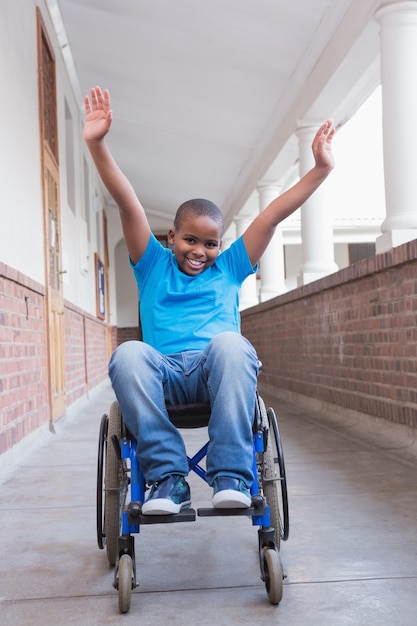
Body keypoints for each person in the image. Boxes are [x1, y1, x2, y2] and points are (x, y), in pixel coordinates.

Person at [83, 85, 335, 515]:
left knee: (231, 343)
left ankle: (231, 475)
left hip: (214, 370)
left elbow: (271, 215)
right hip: (161, 374)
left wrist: (320, 171)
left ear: (222, 245)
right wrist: (97, 143)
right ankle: (168, 477)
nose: (199, 250)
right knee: (127, 354)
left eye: (211, 243)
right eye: (190, 240)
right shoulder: (152, 264)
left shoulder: (230, 268)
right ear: (171, 238)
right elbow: (127, 202)